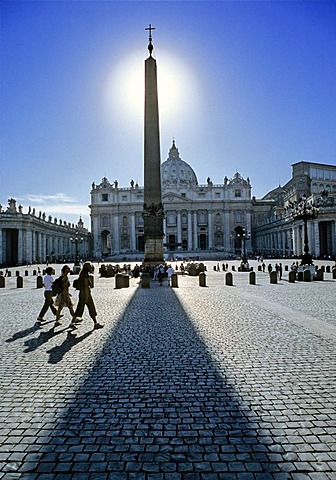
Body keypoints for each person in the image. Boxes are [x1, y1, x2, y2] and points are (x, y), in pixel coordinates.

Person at [72, 262, 103, 329]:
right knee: (91, 308)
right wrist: (87, 296)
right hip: (85, 293)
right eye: (90, 266)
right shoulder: (85, 275)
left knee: (79, 308)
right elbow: (86, 286)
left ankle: (72, 323)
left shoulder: (81, 274)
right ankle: (95, 323)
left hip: (82, 293)